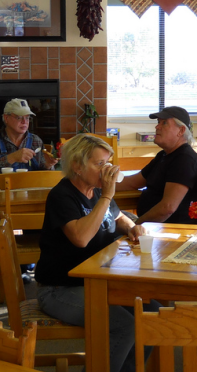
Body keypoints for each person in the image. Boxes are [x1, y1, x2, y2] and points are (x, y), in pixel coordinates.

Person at [35, 134, 157, 372]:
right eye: (100, 164)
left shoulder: (97, 192)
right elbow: (80, 238)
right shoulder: (62, 196)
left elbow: (118, 216)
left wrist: (132, 228)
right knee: (125, 326)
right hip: (60, 288)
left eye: (108, 163)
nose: (107, 170)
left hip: (96, 282)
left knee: (152, 313)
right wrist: (109, 195)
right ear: (77, 166)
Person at [117, 106, 197, 224]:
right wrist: (99, 185)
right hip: (152, 224)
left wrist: (136, 225)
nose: (157, 126)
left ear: (181, 131)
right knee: (109, 219)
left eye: (164, 123)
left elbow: (167, 208)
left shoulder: (185, 160)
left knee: (108, 225)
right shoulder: (164, 155)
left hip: (170, 230)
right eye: (158, 122)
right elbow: (132, 182)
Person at [0, 98, 57, 179]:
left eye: (27, 117)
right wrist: (11, 158)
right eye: (19, 117)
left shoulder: (36, 141)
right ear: (6, 118)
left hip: (30, 190)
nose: (24, 121)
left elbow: (44, 176)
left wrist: (48, 166)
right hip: (2, 190)